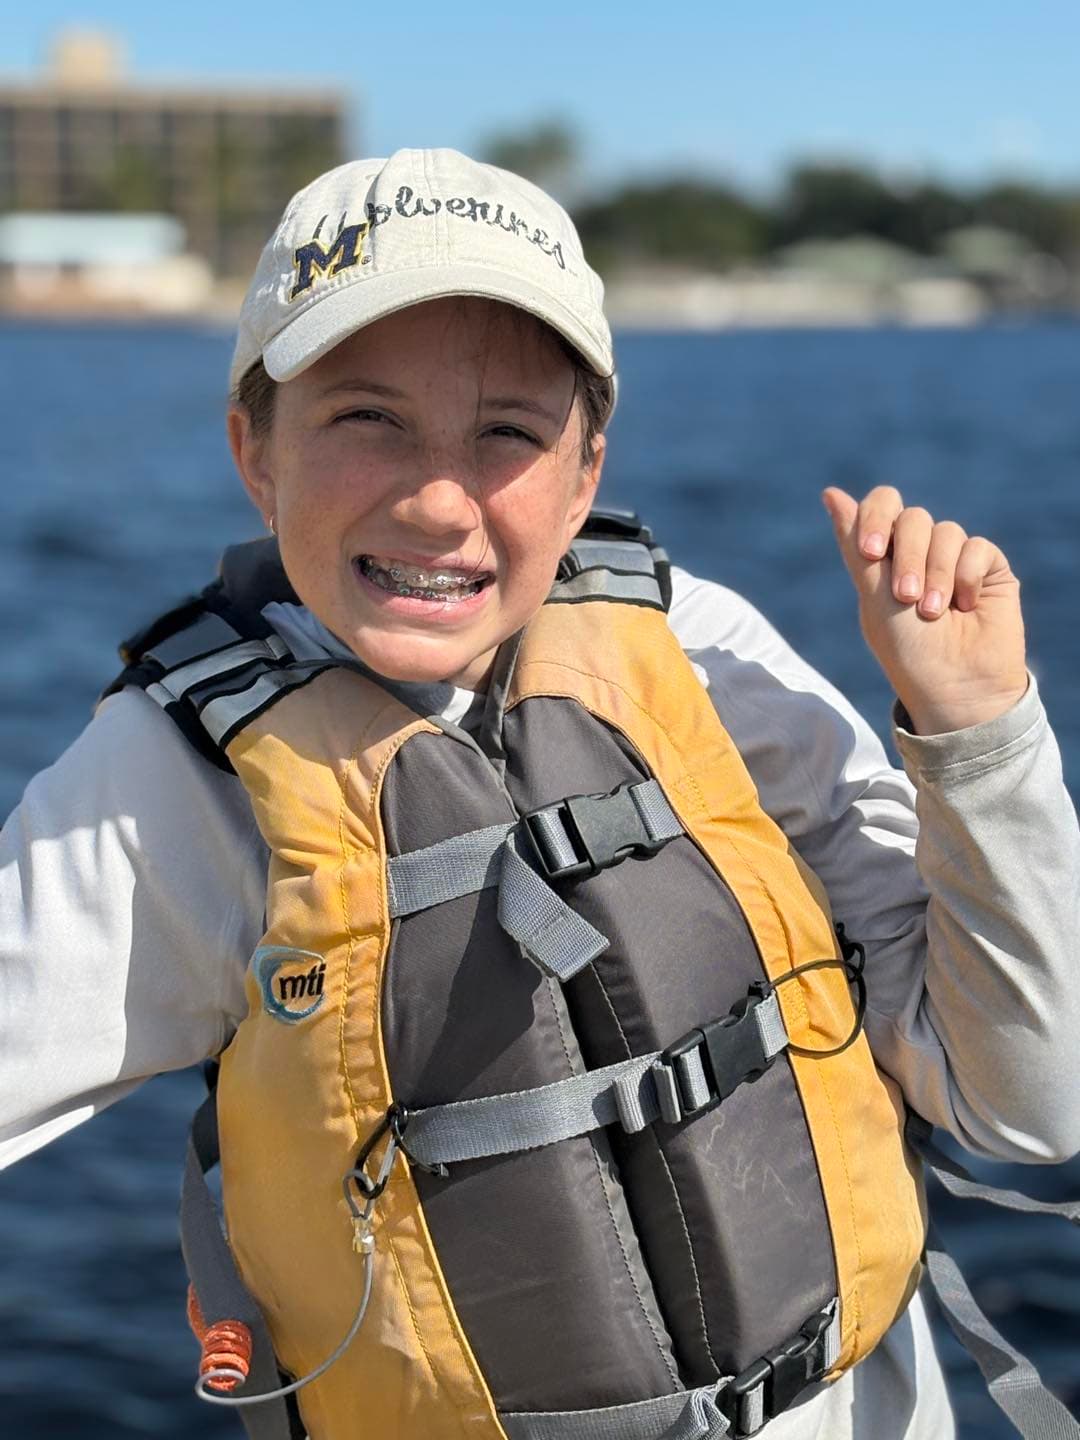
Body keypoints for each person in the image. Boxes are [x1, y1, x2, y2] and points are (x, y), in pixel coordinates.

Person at [1, 147, 1077, 1440]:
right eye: (364, 418)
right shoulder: (177, 786)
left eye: (507, 432)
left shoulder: (708, 662)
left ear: (586, 474)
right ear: (257, 452)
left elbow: (1028, 1104)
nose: (436, 501)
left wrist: (977, 736)